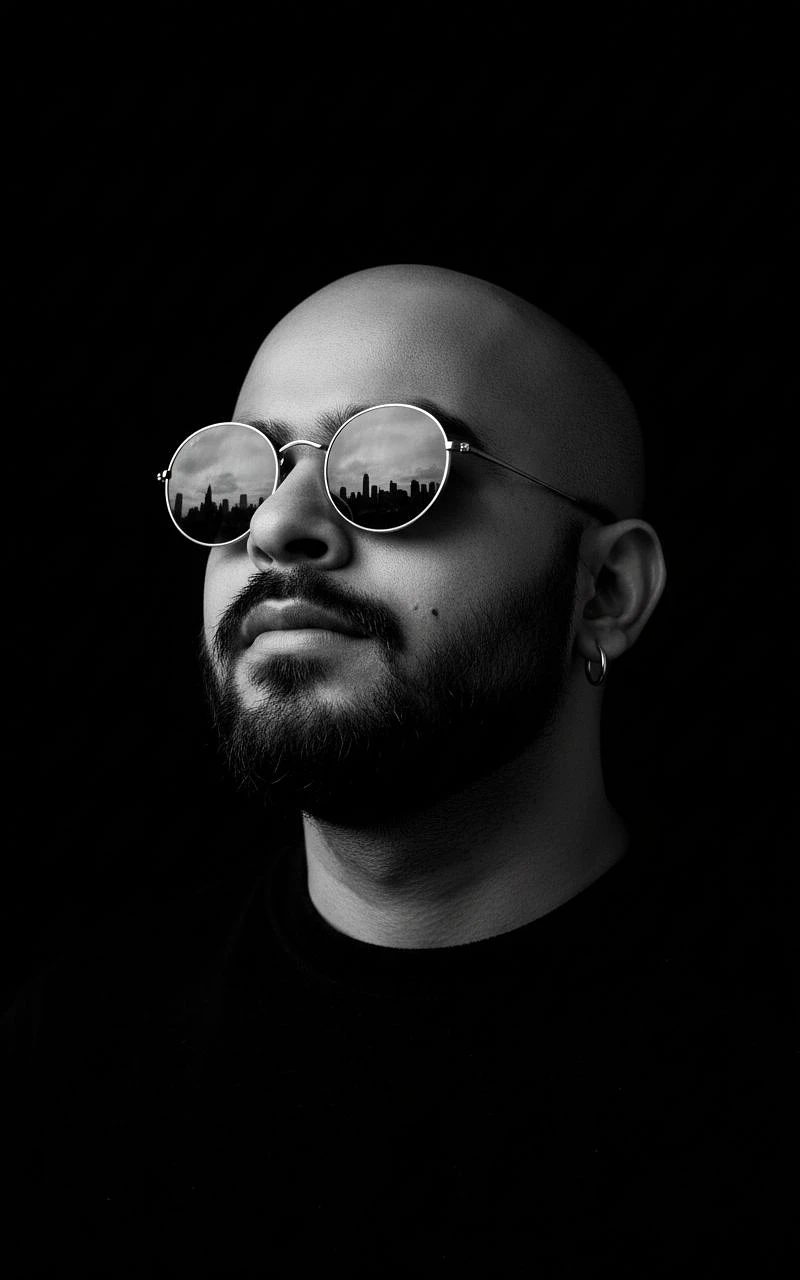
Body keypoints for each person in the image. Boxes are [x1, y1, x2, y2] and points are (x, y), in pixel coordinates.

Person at [4, 266, 790, 1271]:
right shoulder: (74, 1057)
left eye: (396, 465)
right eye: (231, 479)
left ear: (604, 592)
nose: (274, 527)